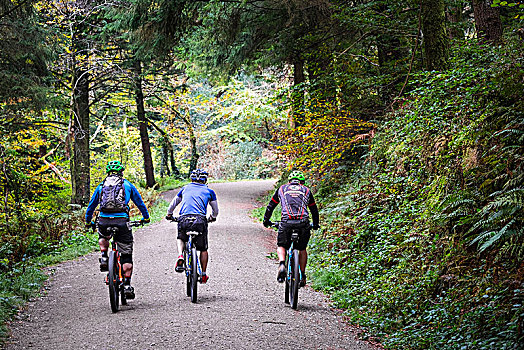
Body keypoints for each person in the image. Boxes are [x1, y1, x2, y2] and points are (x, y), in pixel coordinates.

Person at [85, 160, 150, 299]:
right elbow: (140, 203)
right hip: (121, 222)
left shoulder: (101, 186)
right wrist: (146, 218)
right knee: (126, 253)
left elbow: (91, 206)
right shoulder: (127, 185)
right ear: (121, 173)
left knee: (102, 235)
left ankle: (104, 256)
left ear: (108, 173)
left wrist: (88, 221)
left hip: (103, 220)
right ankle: (126, 284)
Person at [263, 170, 319, 287]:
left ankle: (282, 264)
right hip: (303, 222)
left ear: (289, 182)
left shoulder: (282, 189)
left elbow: (271, 206)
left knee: (282, 245)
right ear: (301, 182)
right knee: (302, 248)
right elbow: (314, 209)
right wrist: (315, 224)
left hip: (286, 222)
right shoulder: (306, 190)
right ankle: (302, 275)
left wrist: (266, 220)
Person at [166, 169, 218, 284]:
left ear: (191, 179)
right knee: (203, 249)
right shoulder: (209, 191)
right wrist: (212, 217)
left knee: (181, 237)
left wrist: (169, 215)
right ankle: (203, 274)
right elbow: (215, 210)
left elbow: (173, 203)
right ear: (205, 180)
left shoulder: (184, 189)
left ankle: (180, 255)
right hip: (200, 220)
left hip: (184, 218)